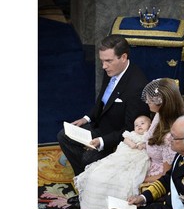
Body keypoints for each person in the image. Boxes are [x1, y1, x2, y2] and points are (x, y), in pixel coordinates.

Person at [72, 78, 184, 209]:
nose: (147, 102)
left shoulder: (171, 135)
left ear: (162, 102)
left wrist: (142, 178)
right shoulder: (159, 116)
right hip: (142, 158)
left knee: (105, 183)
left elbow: (166, 174)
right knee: (96, 175)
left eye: (150, 99)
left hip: (152, 171)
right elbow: (147, 137)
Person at [57, 34, 149, 176]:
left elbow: (130, 129)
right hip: (99, 126)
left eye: (108, 61)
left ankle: (87, 182)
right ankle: (82, 176)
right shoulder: (112, 69)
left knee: (88, 159)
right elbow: (102, 100)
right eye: (102, 61)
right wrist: (86, 119)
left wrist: (101, 141)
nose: (104, 66)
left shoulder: (136, 86)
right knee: (63, 136)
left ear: (123, 57)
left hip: (115, 138)